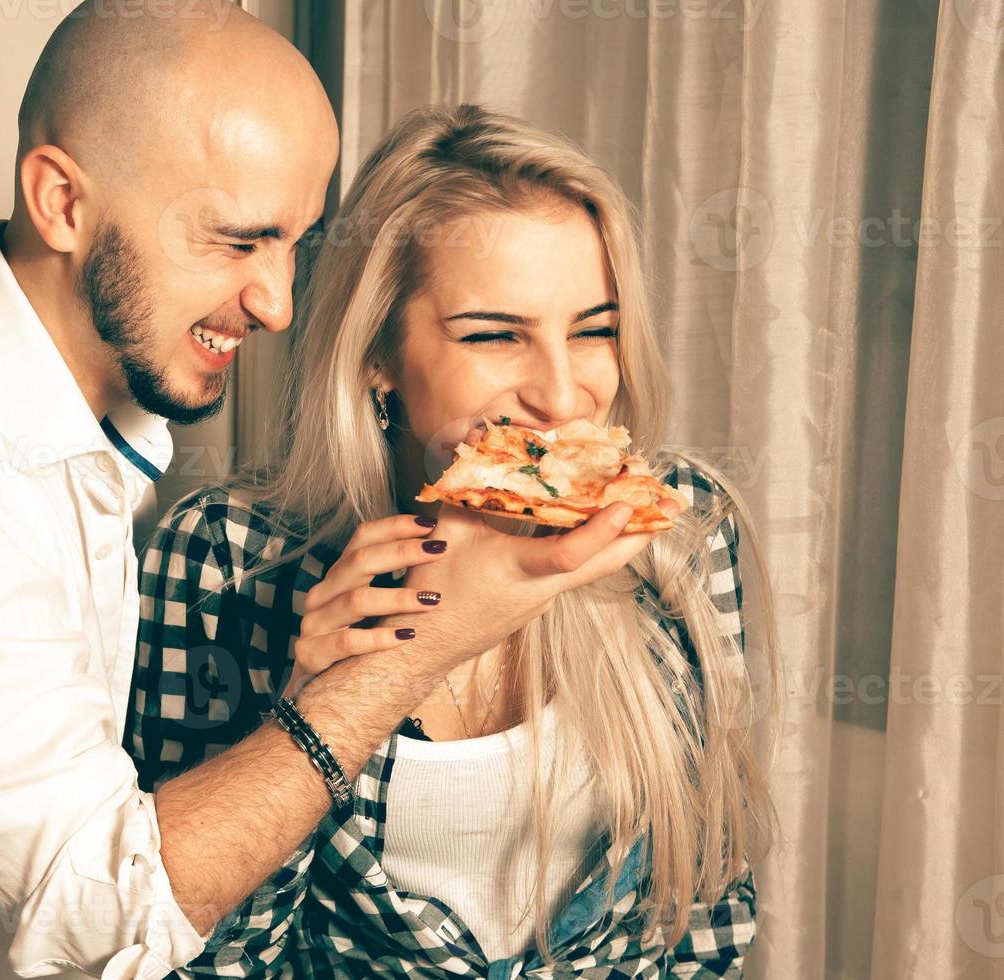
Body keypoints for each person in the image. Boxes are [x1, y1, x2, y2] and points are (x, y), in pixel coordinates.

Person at [0, 6, 661, 978]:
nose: (275, 303)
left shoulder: (100, 426)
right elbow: (107, 910)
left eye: (294, 245)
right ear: (61, 201)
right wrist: (409, 656)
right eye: (234, 239)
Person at [128, 103, 783, 977]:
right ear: (378, 355)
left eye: (594, 329)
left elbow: (710, 914)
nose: (562, 394)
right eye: (494, 335)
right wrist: (317, 702)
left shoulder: (680, 530)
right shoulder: (222, 558)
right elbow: (193, 961)